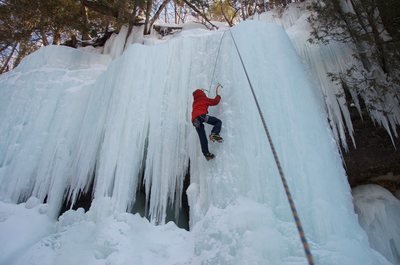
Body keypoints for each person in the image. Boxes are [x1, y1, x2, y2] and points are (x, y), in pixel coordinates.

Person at [191, 84, 223, 161]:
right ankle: (214, 133)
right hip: (201, 116)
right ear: (201, 94)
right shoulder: (203, 98)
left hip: (194, 120)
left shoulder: (194, 102)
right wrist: (218, 95)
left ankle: (206, 154)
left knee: (202, 138)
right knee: (217, 121)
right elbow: (215, 102)